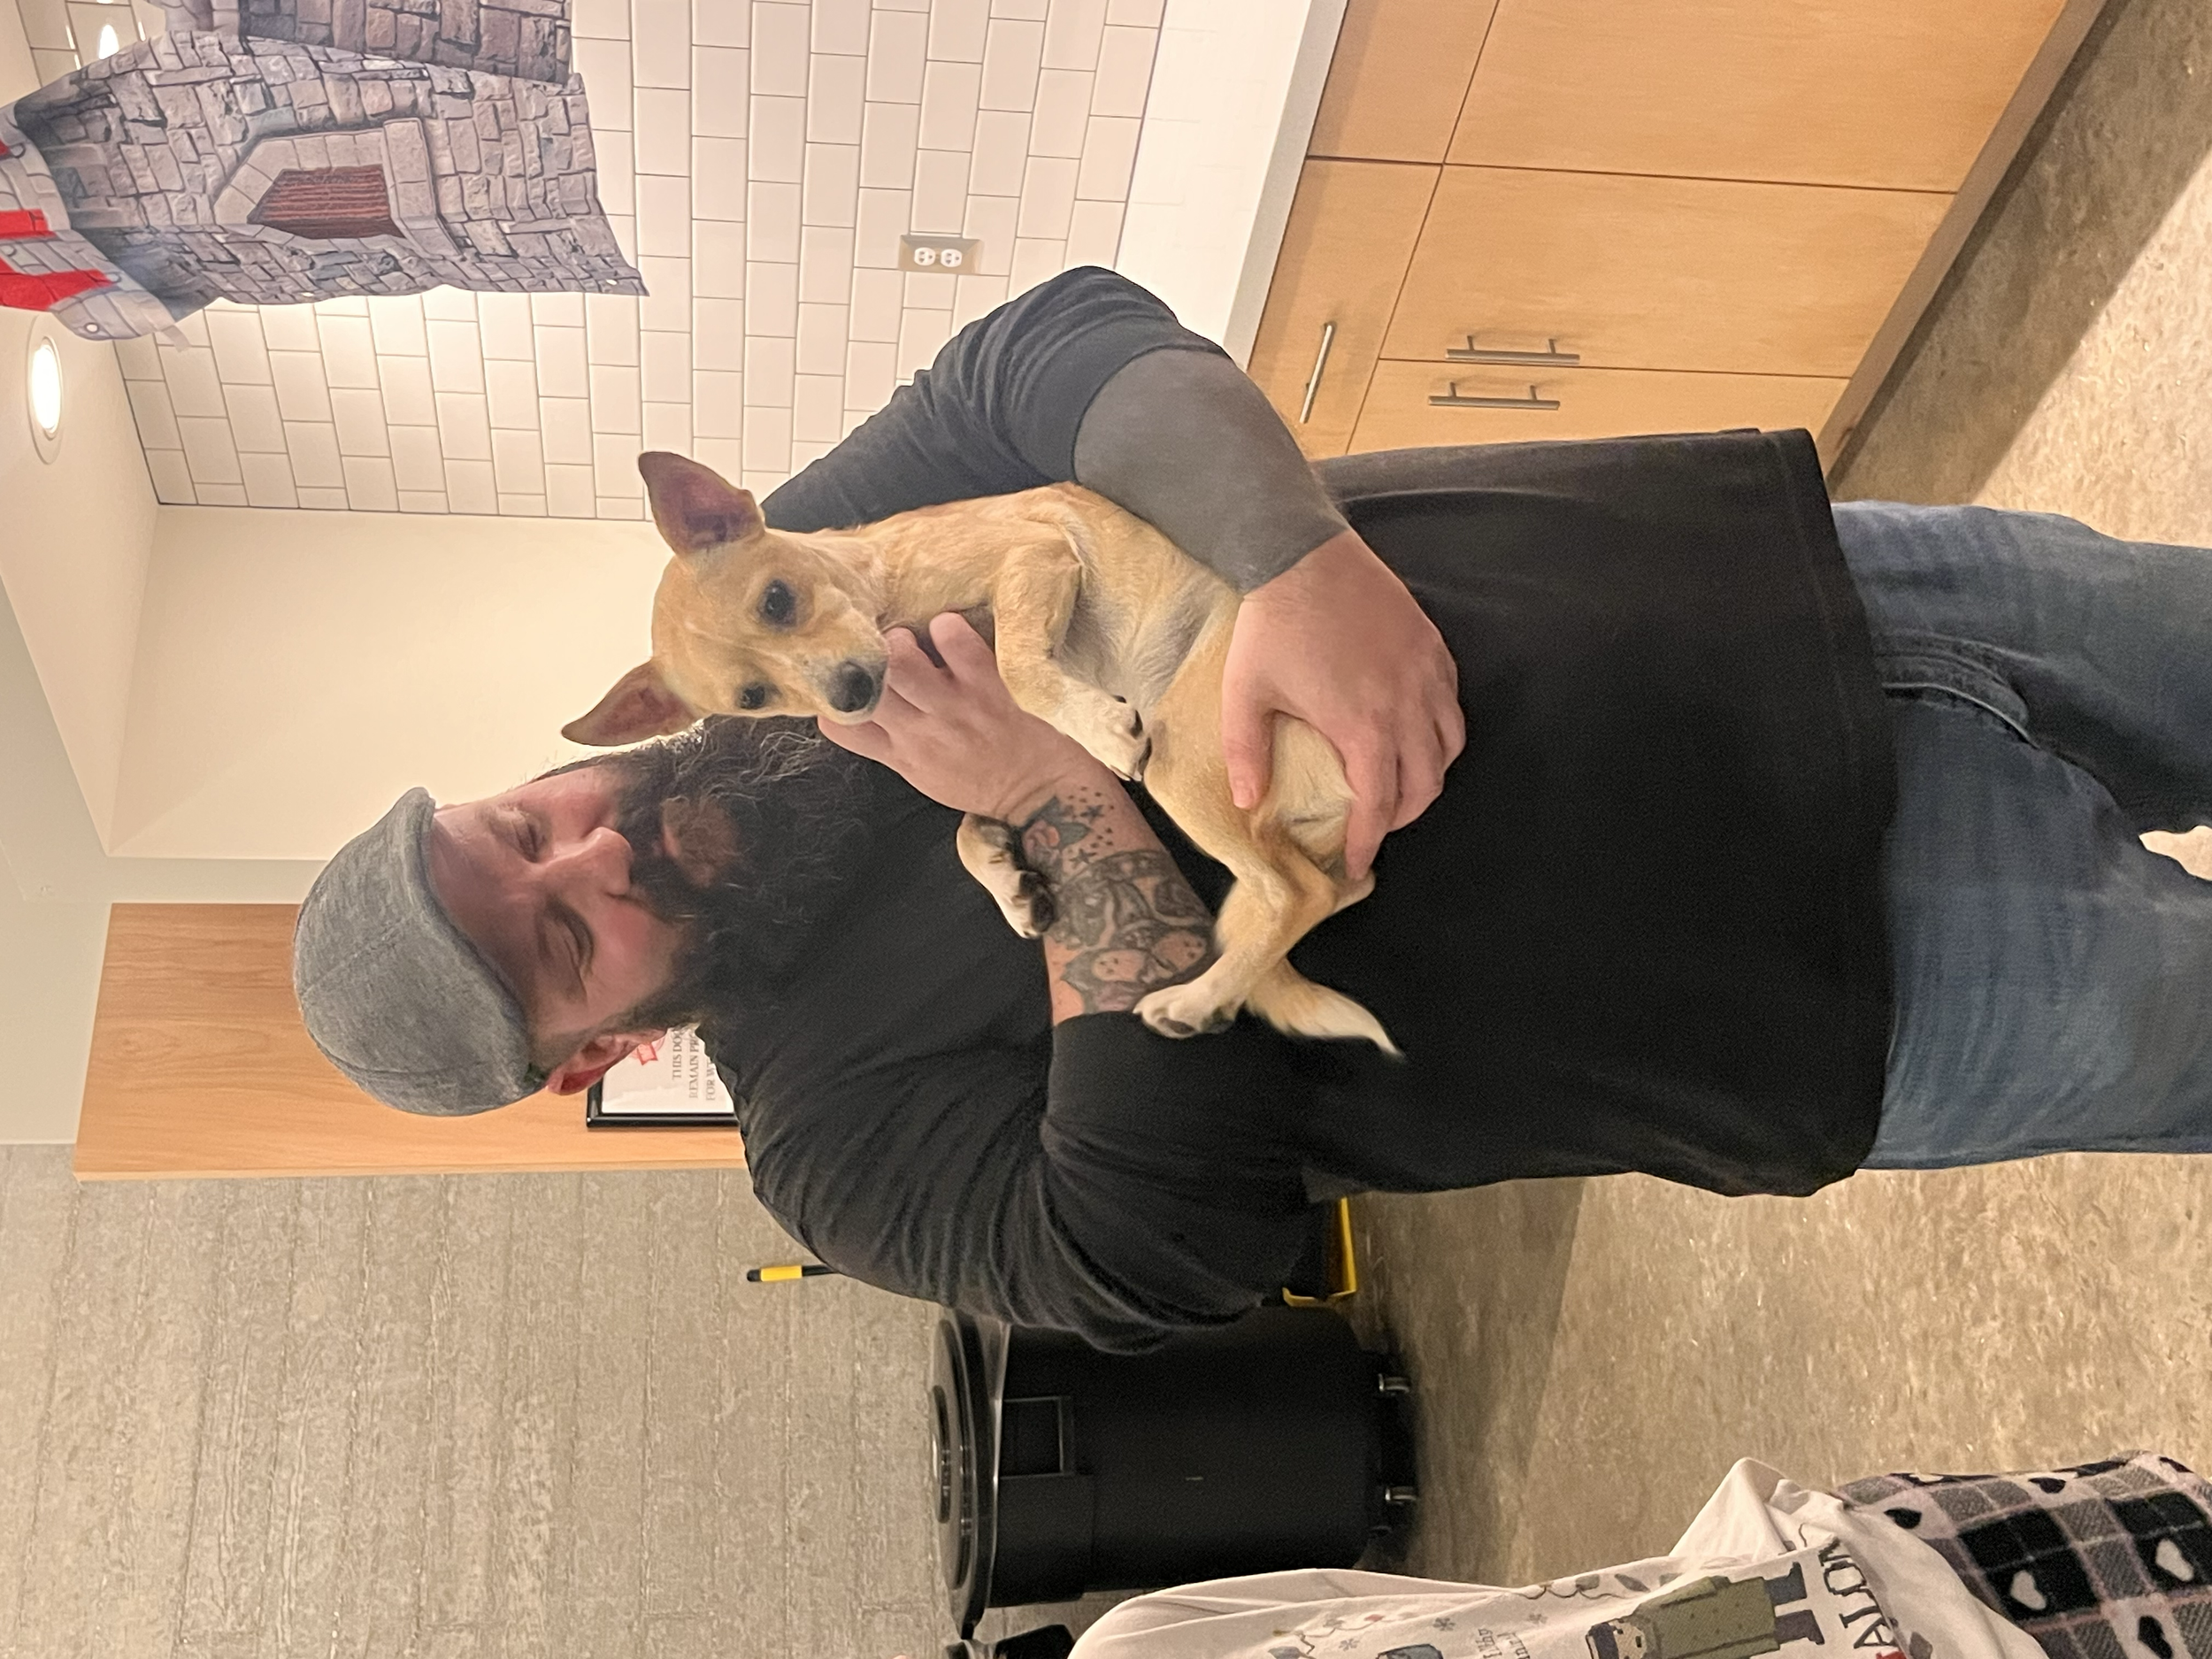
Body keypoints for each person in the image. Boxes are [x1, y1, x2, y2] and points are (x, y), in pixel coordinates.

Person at [293, 268, 2212, 1350]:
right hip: (1827, 978)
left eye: (523, 824)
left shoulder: (792, 582)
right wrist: (1048, 798)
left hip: (1764, 587)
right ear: (593, 1051)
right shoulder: (828, 1140)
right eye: (562, 933)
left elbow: (1042, 347)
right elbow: (1151, 1247)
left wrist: (1293, 555)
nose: (595, 847)